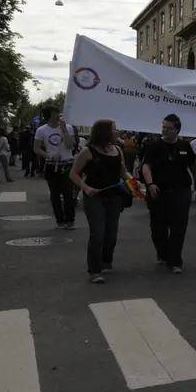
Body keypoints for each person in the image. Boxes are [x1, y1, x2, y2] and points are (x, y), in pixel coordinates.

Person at [70, 119, 134, 283]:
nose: (117, 132)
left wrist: (134, 182)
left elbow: (123, 172)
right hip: (95, 197)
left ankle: (106, 261)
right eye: (114, 129)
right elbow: (74, 174)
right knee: (98, 232)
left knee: (111, 233)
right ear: (105, 132)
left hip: (115, 196)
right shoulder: (88, 151)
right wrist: (86, 188)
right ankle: (94, 270)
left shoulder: (117, 150)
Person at [141, 113, 196, 274]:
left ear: (177, 130)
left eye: (169, 128)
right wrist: (150, 183)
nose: (165, 130)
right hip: (159, 191)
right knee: (158, 228)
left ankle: (175, 261)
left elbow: (194, 164)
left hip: (181, 191)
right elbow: (146, 166)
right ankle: (162, 251)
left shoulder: (185, 147)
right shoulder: (154, 145)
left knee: (179, 227)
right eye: (164, 127)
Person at [34, 108, 78, 229]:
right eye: (55, 115)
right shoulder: (41, 130)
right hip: (51, 165)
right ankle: (60, 220)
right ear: (49, 116)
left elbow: (70, 145)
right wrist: (50, 156)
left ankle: (70, 220)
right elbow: (36, 148)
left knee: (68, 193)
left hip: (67, 164)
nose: (58, 117)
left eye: (59, 114)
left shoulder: (68, 127)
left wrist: (64, 131)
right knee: (55, 195)